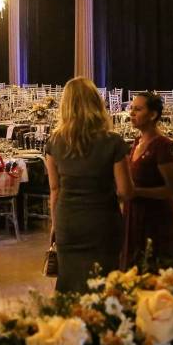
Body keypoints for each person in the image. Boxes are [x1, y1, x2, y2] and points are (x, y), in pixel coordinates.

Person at [46, 77, 134, 293]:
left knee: (69, 282)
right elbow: (125, 191)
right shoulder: (113, 142)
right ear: (97, 103)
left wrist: (55, 225)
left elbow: (55, 190)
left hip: (68, 220)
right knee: (105, 285)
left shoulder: (54, 142)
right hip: (102, 220)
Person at [122, 92, 173, 271]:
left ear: (153, 115)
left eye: (138, 109)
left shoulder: (162, 145)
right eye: (131, 108)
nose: (132, 113)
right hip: (135, 214)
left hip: (157, 219)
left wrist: (137, 192)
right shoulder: (137, 141)